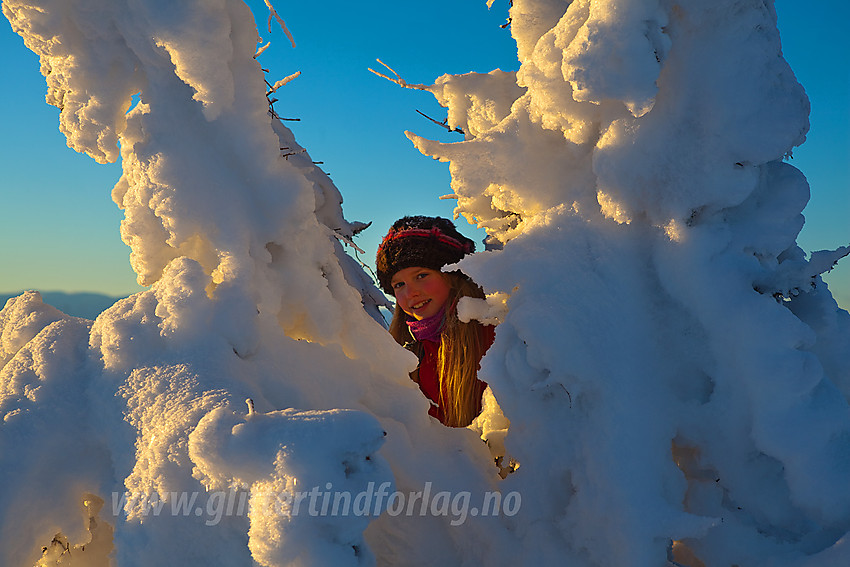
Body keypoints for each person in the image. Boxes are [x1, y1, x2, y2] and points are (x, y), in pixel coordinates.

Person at [376, 216, 495, 427]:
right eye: (399, 284)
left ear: (452, 276)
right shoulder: (408, 348)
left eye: (421, 275)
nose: (410, 292)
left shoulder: (491, 335)